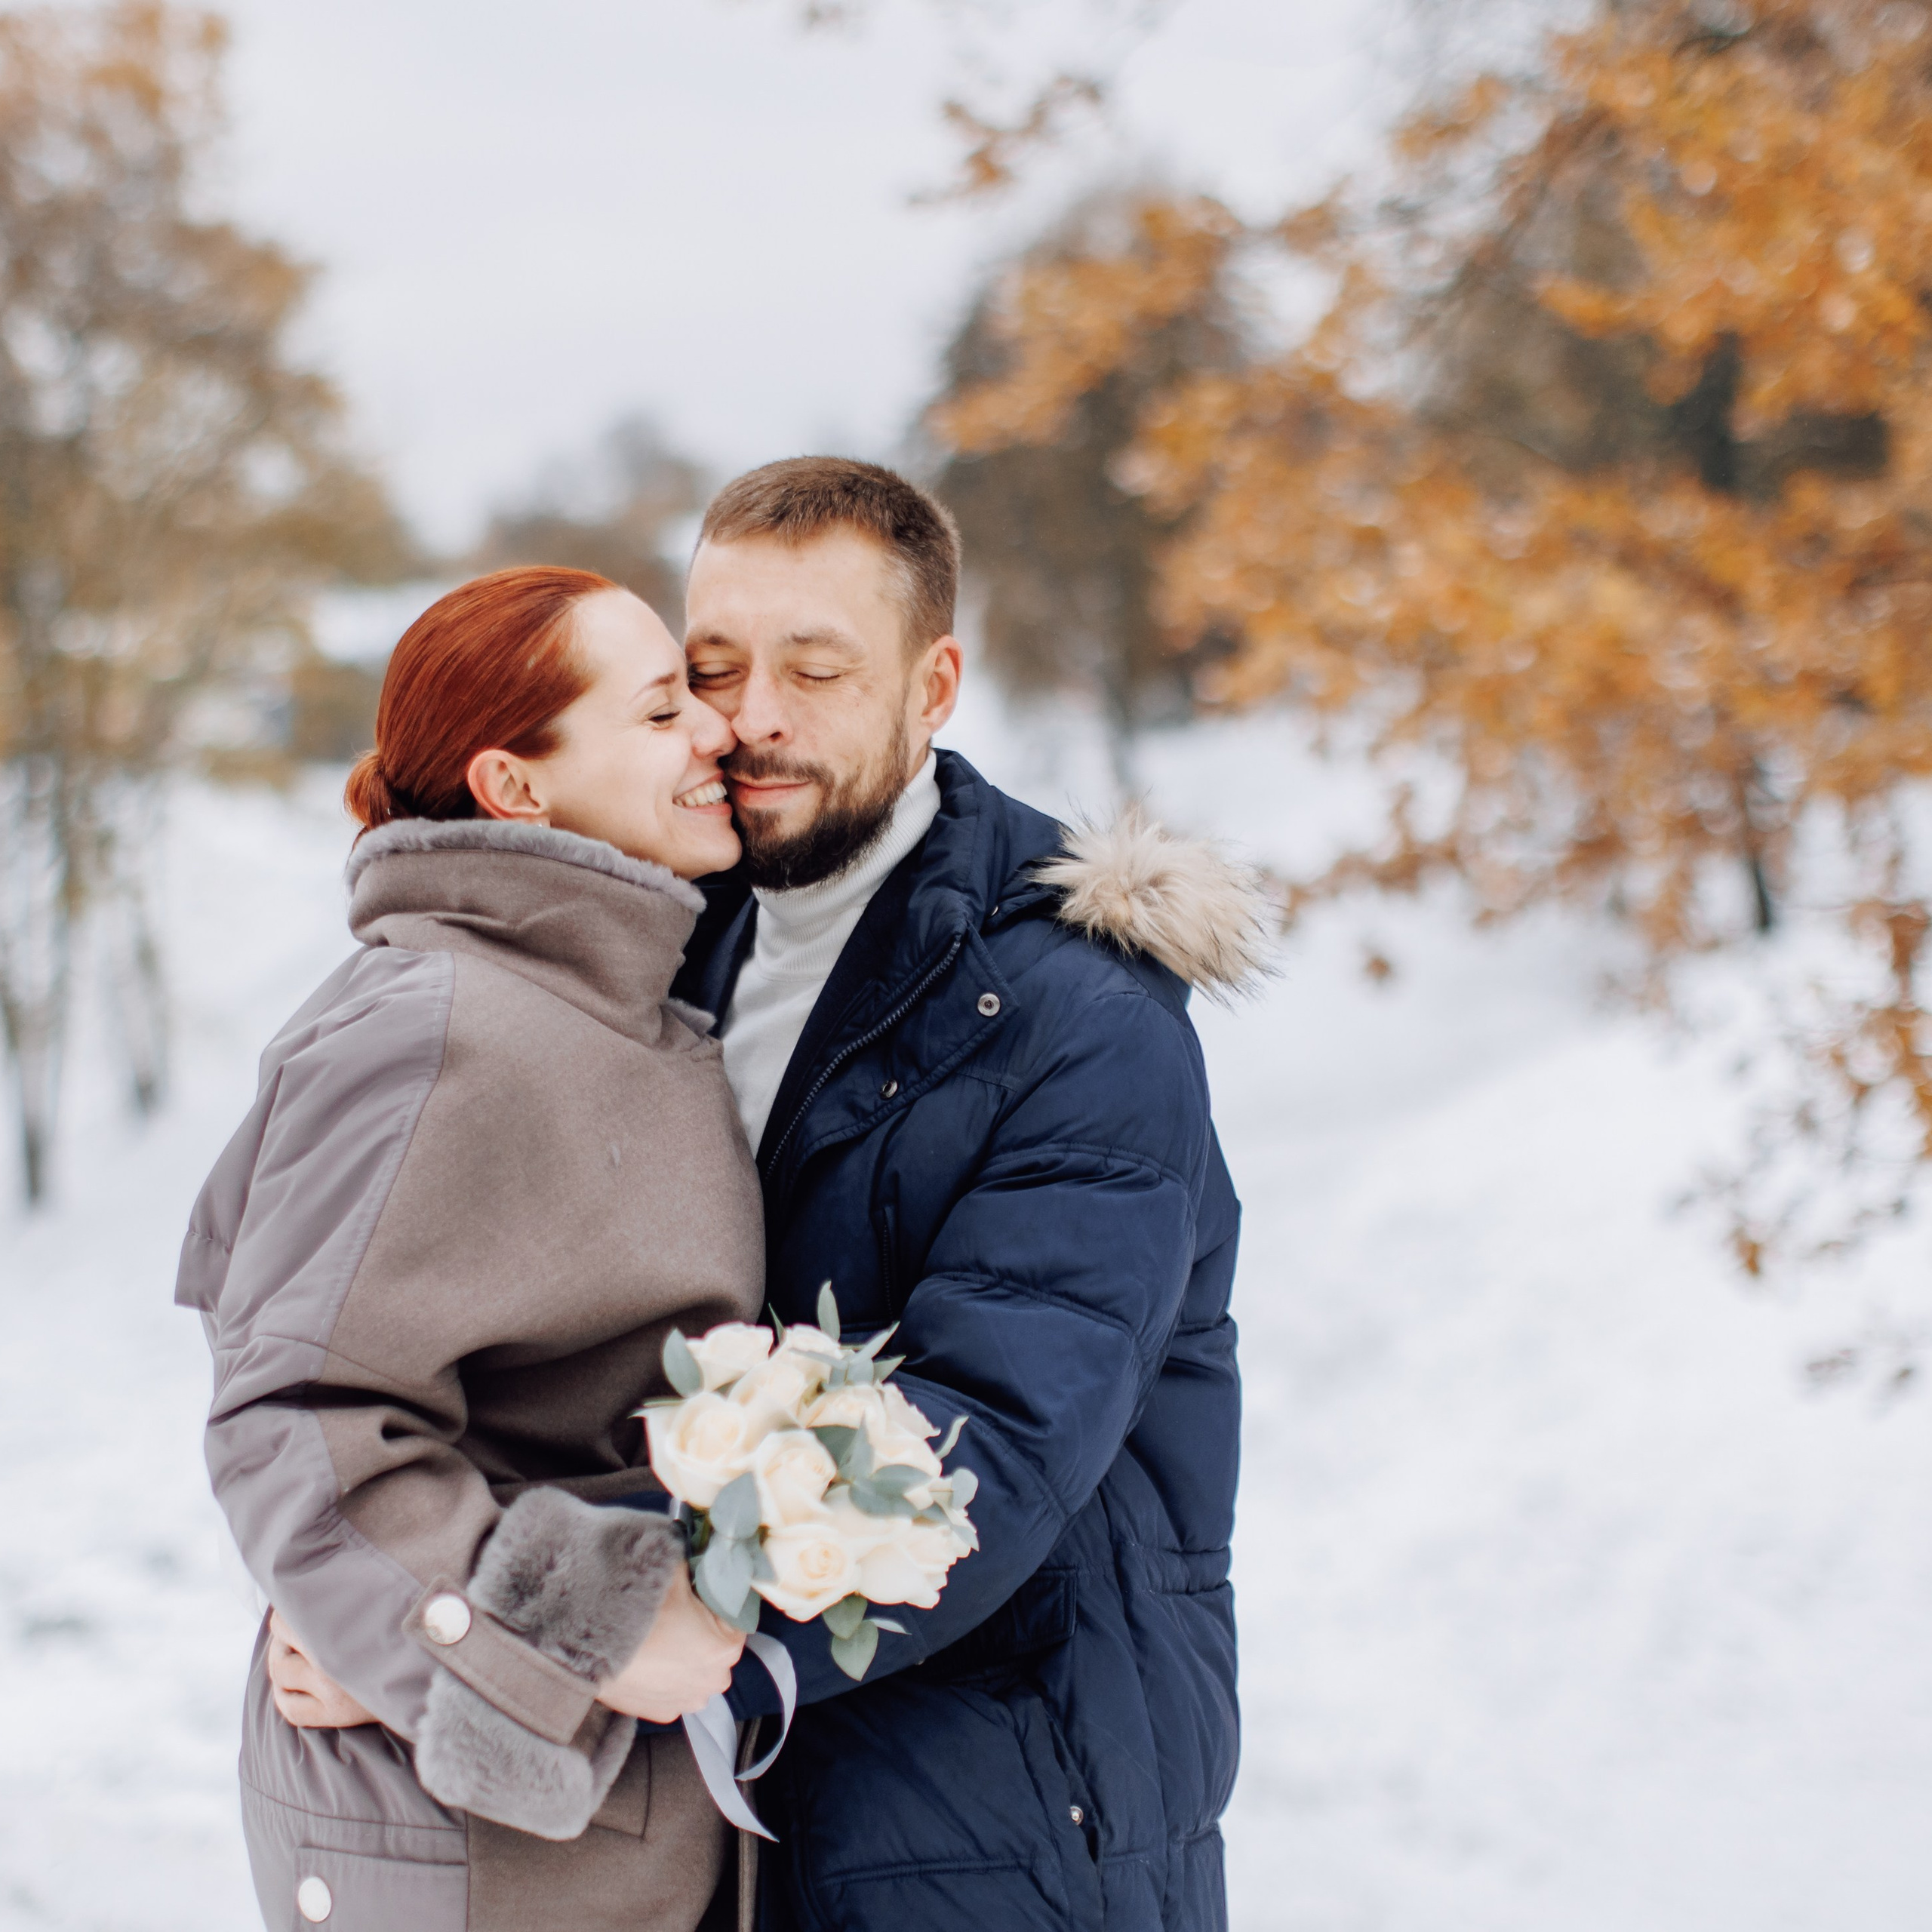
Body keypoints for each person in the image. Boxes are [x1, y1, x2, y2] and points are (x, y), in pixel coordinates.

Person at [674, 458, 1265, 1932]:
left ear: (933, 685)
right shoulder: (663, 950)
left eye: (815, 667)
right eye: (714, 668)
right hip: (732, 1815)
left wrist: (645, 1648)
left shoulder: (1076, 1007)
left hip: (1011, 1824)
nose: (754, 714)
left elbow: (978, 1441)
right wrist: (413, 1607)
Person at [177, 567, 761, 1932]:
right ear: (515, 787)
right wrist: (570, 1635)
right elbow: (294, 1418)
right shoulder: (436, 1027)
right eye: (664, 709)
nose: (716, 735)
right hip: (462, 1831)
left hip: (594, 1815)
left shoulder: (606, 1002)